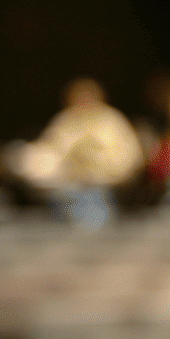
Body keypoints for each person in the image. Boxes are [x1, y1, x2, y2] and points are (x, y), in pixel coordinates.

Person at [18, 78, 143, 231]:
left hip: (100, 190)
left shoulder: (110, 121)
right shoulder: (65, 120)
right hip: (64, 190)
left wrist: (93, 163)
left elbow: (128, 160)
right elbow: (47, 154)